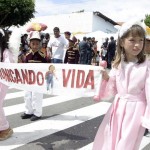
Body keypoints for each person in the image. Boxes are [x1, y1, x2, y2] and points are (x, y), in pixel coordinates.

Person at [92, 20, 150, 150]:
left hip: (136, 110)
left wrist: (147, 116)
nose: (137, 45)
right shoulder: (117, 64)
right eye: (132, 40)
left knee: (127, 143)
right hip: (117, 107)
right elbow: (112, 87)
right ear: (122, 42)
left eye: (141, 40)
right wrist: (105, 76)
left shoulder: (147, 65)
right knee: (111, 137)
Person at [21, 31, 47, 121]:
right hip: (29, 78)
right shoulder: (27, 56)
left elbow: (46, 68)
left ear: (39, 44)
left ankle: (37, 113)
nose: (35, 46)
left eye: (37, 44)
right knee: (27, 95)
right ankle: (29, 111)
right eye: (33, 44)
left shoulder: (42, 56)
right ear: (30, 44)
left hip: (38, 79)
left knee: (37, 96)